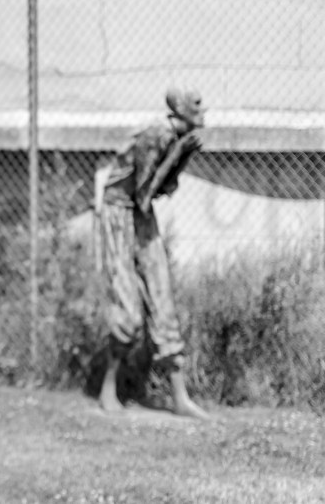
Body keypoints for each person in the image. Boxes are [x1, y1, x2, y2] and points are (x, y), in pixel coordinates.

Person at [96, 87, 209, 419]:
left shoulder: (174, 137)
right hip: (118, 214)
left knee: (161, 296)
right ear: (180, 109)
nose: (203, 108)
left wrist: (181, 158)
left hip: (140, 216)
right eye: (196, 104)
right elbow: (144, 195)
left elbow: (159, 191)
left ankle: (180, 396)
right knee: (128, 311)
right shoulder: (156, 134)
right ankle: (107, 389)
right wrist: (178, 156)